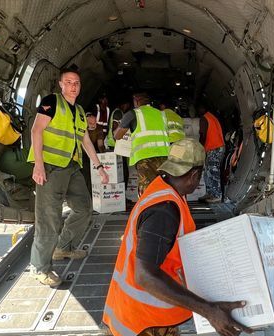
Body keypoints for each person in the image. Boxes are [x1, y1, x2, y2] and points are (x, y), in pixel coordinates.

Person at [103, 138, 252, 336]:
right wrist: (209, 311)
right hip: (145, 321)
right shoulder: (164, 209)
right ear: (195, 174)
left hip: (148, 316)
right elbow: (145, 276)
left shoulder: (164, 189)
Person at [27, 68, 109, 287]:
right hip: (51, 167)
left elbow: (85, 141)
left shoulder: (80, 111)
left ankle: (63, 247)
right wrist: (39, 164)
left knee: (84, 208)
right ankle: (39, 267)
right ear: (61, 85)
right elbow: (36, 131)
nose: (74, 86)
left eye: (77, 83)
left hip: (72, 167)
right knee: (49, 219)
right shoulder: (51, 102)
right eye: (69, 82)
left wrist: (99, 167)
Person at [115, 92, 170, 195]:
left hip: (145, 157)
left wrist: (122, 124)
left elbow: (117, 136)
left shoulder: (133, 113)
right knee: (163, 186)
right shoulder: (161, 114)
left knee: (147, 189)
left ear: (136, 101)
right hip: (164, 155)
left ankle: (149, 210)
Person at [197, 105, 225, 203]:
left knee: (213, 172)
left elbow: (202, 135)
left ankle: (216, 195)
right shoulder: (212, 117)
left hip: (214, 148)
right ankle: (210, 193)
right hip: (217, 147)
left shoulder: (204, 118)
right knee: (208, 172)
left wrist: (199, 148)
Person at [107, 100, 132, 184]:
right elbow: (115, 129)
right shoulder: (118, 113)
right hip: (115, 147)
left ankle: (122, 193)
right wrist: (119, 143)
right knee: (122, 173)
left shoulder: (119, 112)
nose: (127, 106)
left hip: (116, 146)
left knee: (121, 172)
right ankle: (122, 193)